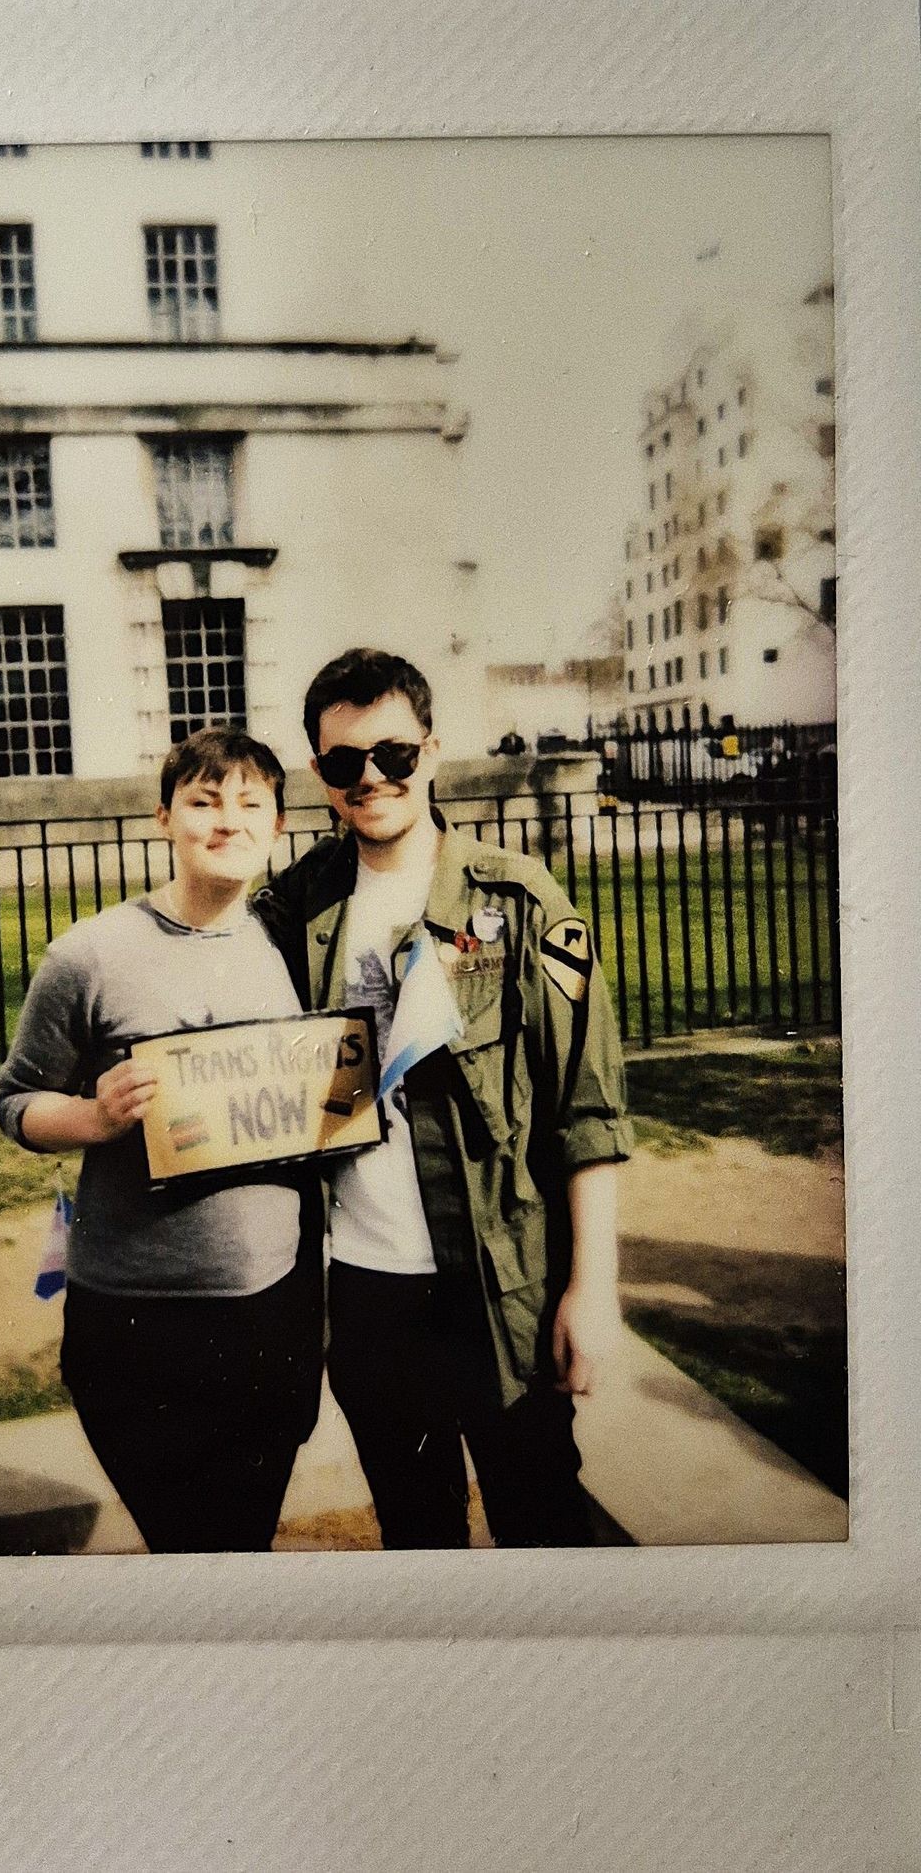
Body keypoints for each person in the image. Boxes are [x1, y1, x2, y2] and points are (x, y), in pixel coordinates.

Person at [258, 648, 632, 1548]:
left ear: (431, 751)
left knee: (543, 1523)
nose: (373, 779)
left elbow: (587, 1104)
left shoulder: (525, 898)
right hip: (369, 1293)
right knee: (417, 1537)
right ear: (320, 773)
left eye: (393, 754)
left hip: (502, 1283)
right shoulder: (297, 906)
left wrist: (594, 1285)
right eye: (345, 764)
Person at [0, 728, 323, 1554]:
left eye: (250, 804)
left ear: (278, 825)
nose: (227, 821)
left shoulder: (293, 947)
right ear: (164, 817)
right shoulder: (89, 955)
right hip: (135, 1322)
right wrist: (94, 1116)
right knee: (187, 1546)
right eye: (204, 801)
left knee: (241, 1543)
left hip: (272, 1310)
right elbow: (14, 1101)